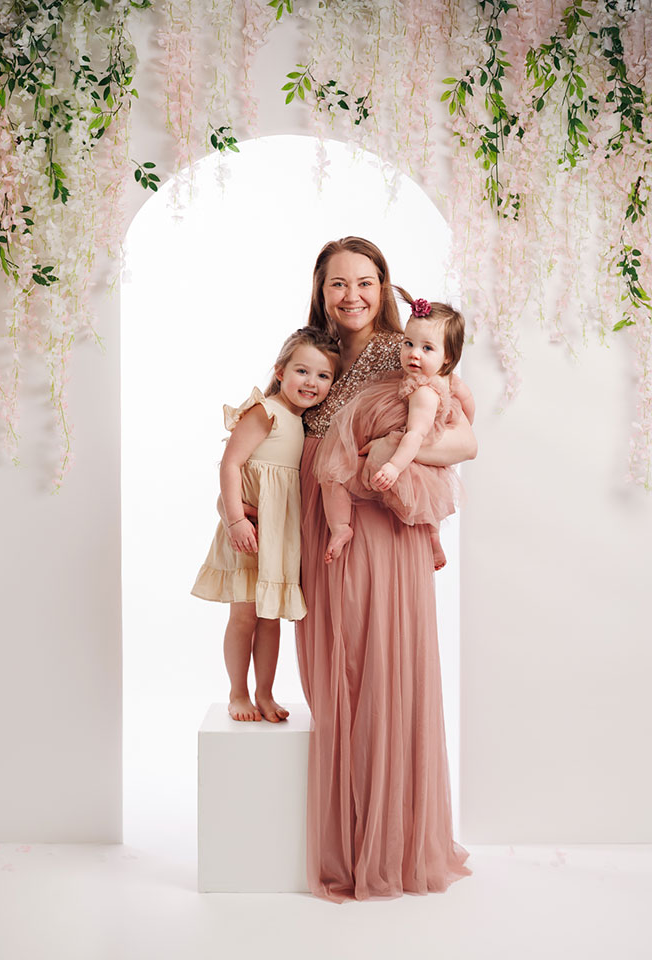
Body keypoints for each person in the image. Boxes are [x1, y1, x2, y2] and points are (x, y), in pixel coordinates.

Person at [297, 237, 476, 902]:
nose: (352, 296)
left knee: (382, 672)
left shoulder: (413, 355)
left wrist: (389, 456)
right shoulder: (306, 352)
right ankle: (343, 839)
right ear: (320, 289)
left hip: (380, 527)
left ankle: (390, 846)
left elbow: (466, 441)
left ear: (384, 285)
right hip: (323, 526)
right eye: (338, 283)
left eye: (365, 282)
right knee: (333, 674)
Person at [192, 328, 339, 723]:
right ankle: (237, 692)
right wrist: (236, 519)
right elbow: (231, 463)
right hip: (250, 532)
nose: (312, 382)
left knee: (270, 617)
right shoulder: (266, 411)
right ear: (279, 370)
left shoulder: (302, 422)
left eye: (323, 376)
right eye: (303, 371)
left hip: (279, 535)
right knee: (244, 615)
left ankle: (265, 692)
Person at [314, 294, 475, 569]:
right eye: (409, 343)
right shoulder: (449, 381)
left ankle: (341, 526)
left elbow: (414, 435)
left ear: (447, 356)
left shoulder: (422, 392)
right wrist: (457, 419)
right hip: (420, 460)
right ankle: (434, 540)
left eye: (427, 348)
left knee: (335, 472)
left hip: (402, 455)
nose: (414, 353)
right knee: (425, 501)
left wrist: (394, 467)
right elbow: (468, 404)